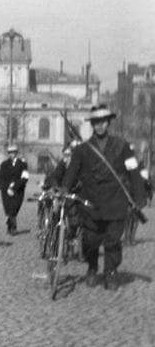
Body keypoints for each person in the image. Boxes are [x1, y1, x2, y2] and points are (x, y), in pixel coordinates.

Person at [60, 104, 146, 290]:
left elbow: (133, 171)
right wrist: (65, 188)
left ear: (109, 123)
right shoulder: (82, 149)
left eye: (103, 122)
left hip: (115, 201)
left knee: (113, 240)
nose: (100, 125)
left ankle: (110, 272)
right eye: (96, 122)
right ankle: (92, 266)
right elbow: (72, 170)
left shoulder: (122, 146)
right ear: (92, 124)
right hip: (91, 203)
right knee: (90, 240)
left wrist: (139, 196)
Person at [0, 144, 29, 233]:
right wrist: (7, 188)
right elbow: (0, 178)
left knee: (15, 209)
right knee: (9, 210)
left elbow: (25, 178)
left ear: (16, 153)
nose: (12, 154)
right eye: (10, 153)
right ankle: (12, 227)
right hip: (6, 191)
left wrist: (14, 186)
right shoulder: (4, 164)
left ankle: (10, 224)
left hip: (18, 191)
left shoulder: (22, 164)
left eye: (13, 152)